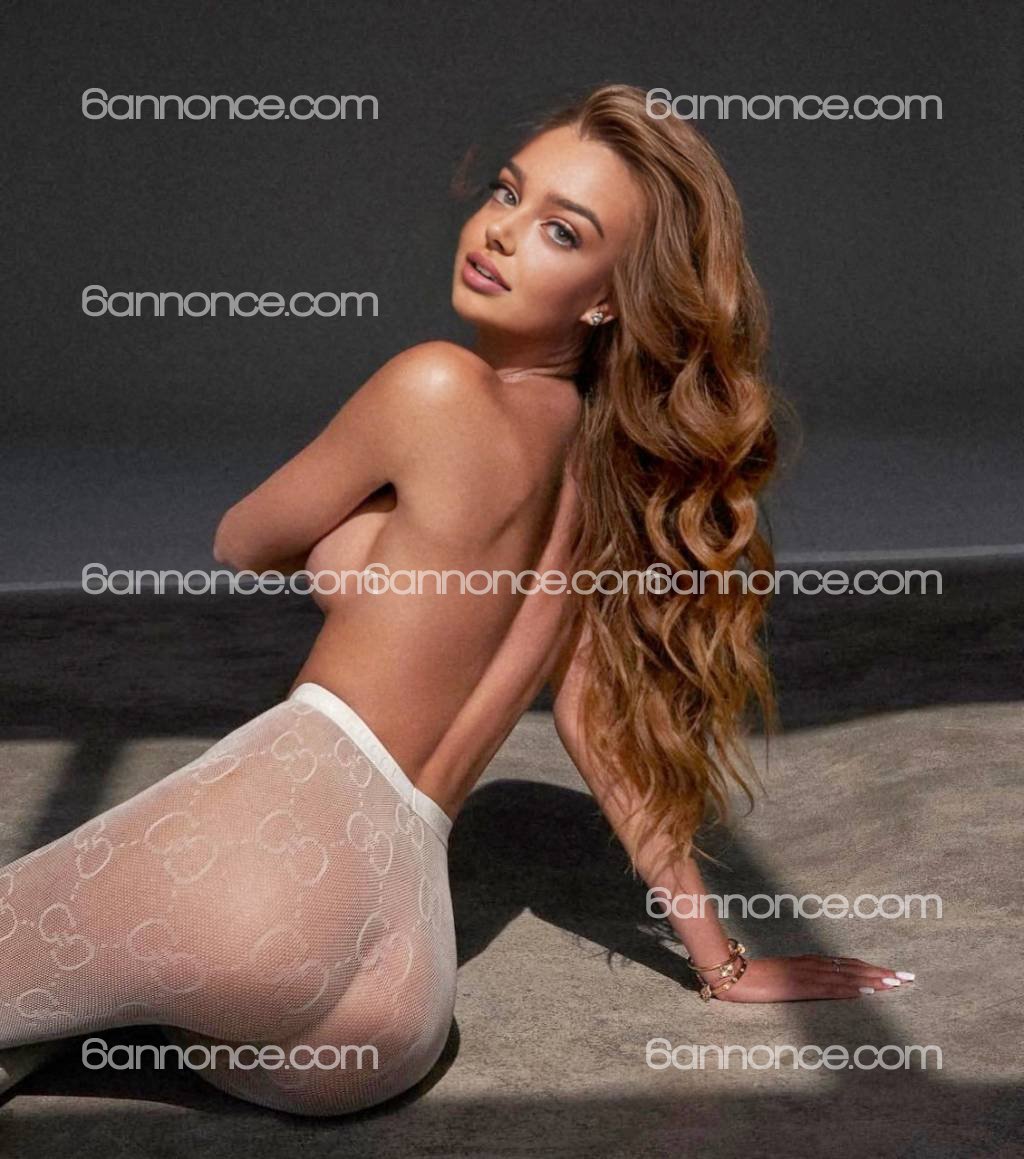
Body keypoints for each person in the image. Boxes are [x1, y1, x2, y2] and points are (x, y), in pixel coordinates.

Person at [0, 83, 912, 1117]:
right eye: (508, 193)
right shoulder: (609, 489)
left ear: (606, 300)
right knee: (63, 1010)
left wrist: (360, 540)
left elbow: (242, 541)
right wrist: (723, 962)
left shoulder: (431, 383)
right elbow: (601, 735)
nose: (502, 231)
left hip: (275, 852)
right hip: (390, 1007)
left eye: (561, 231)